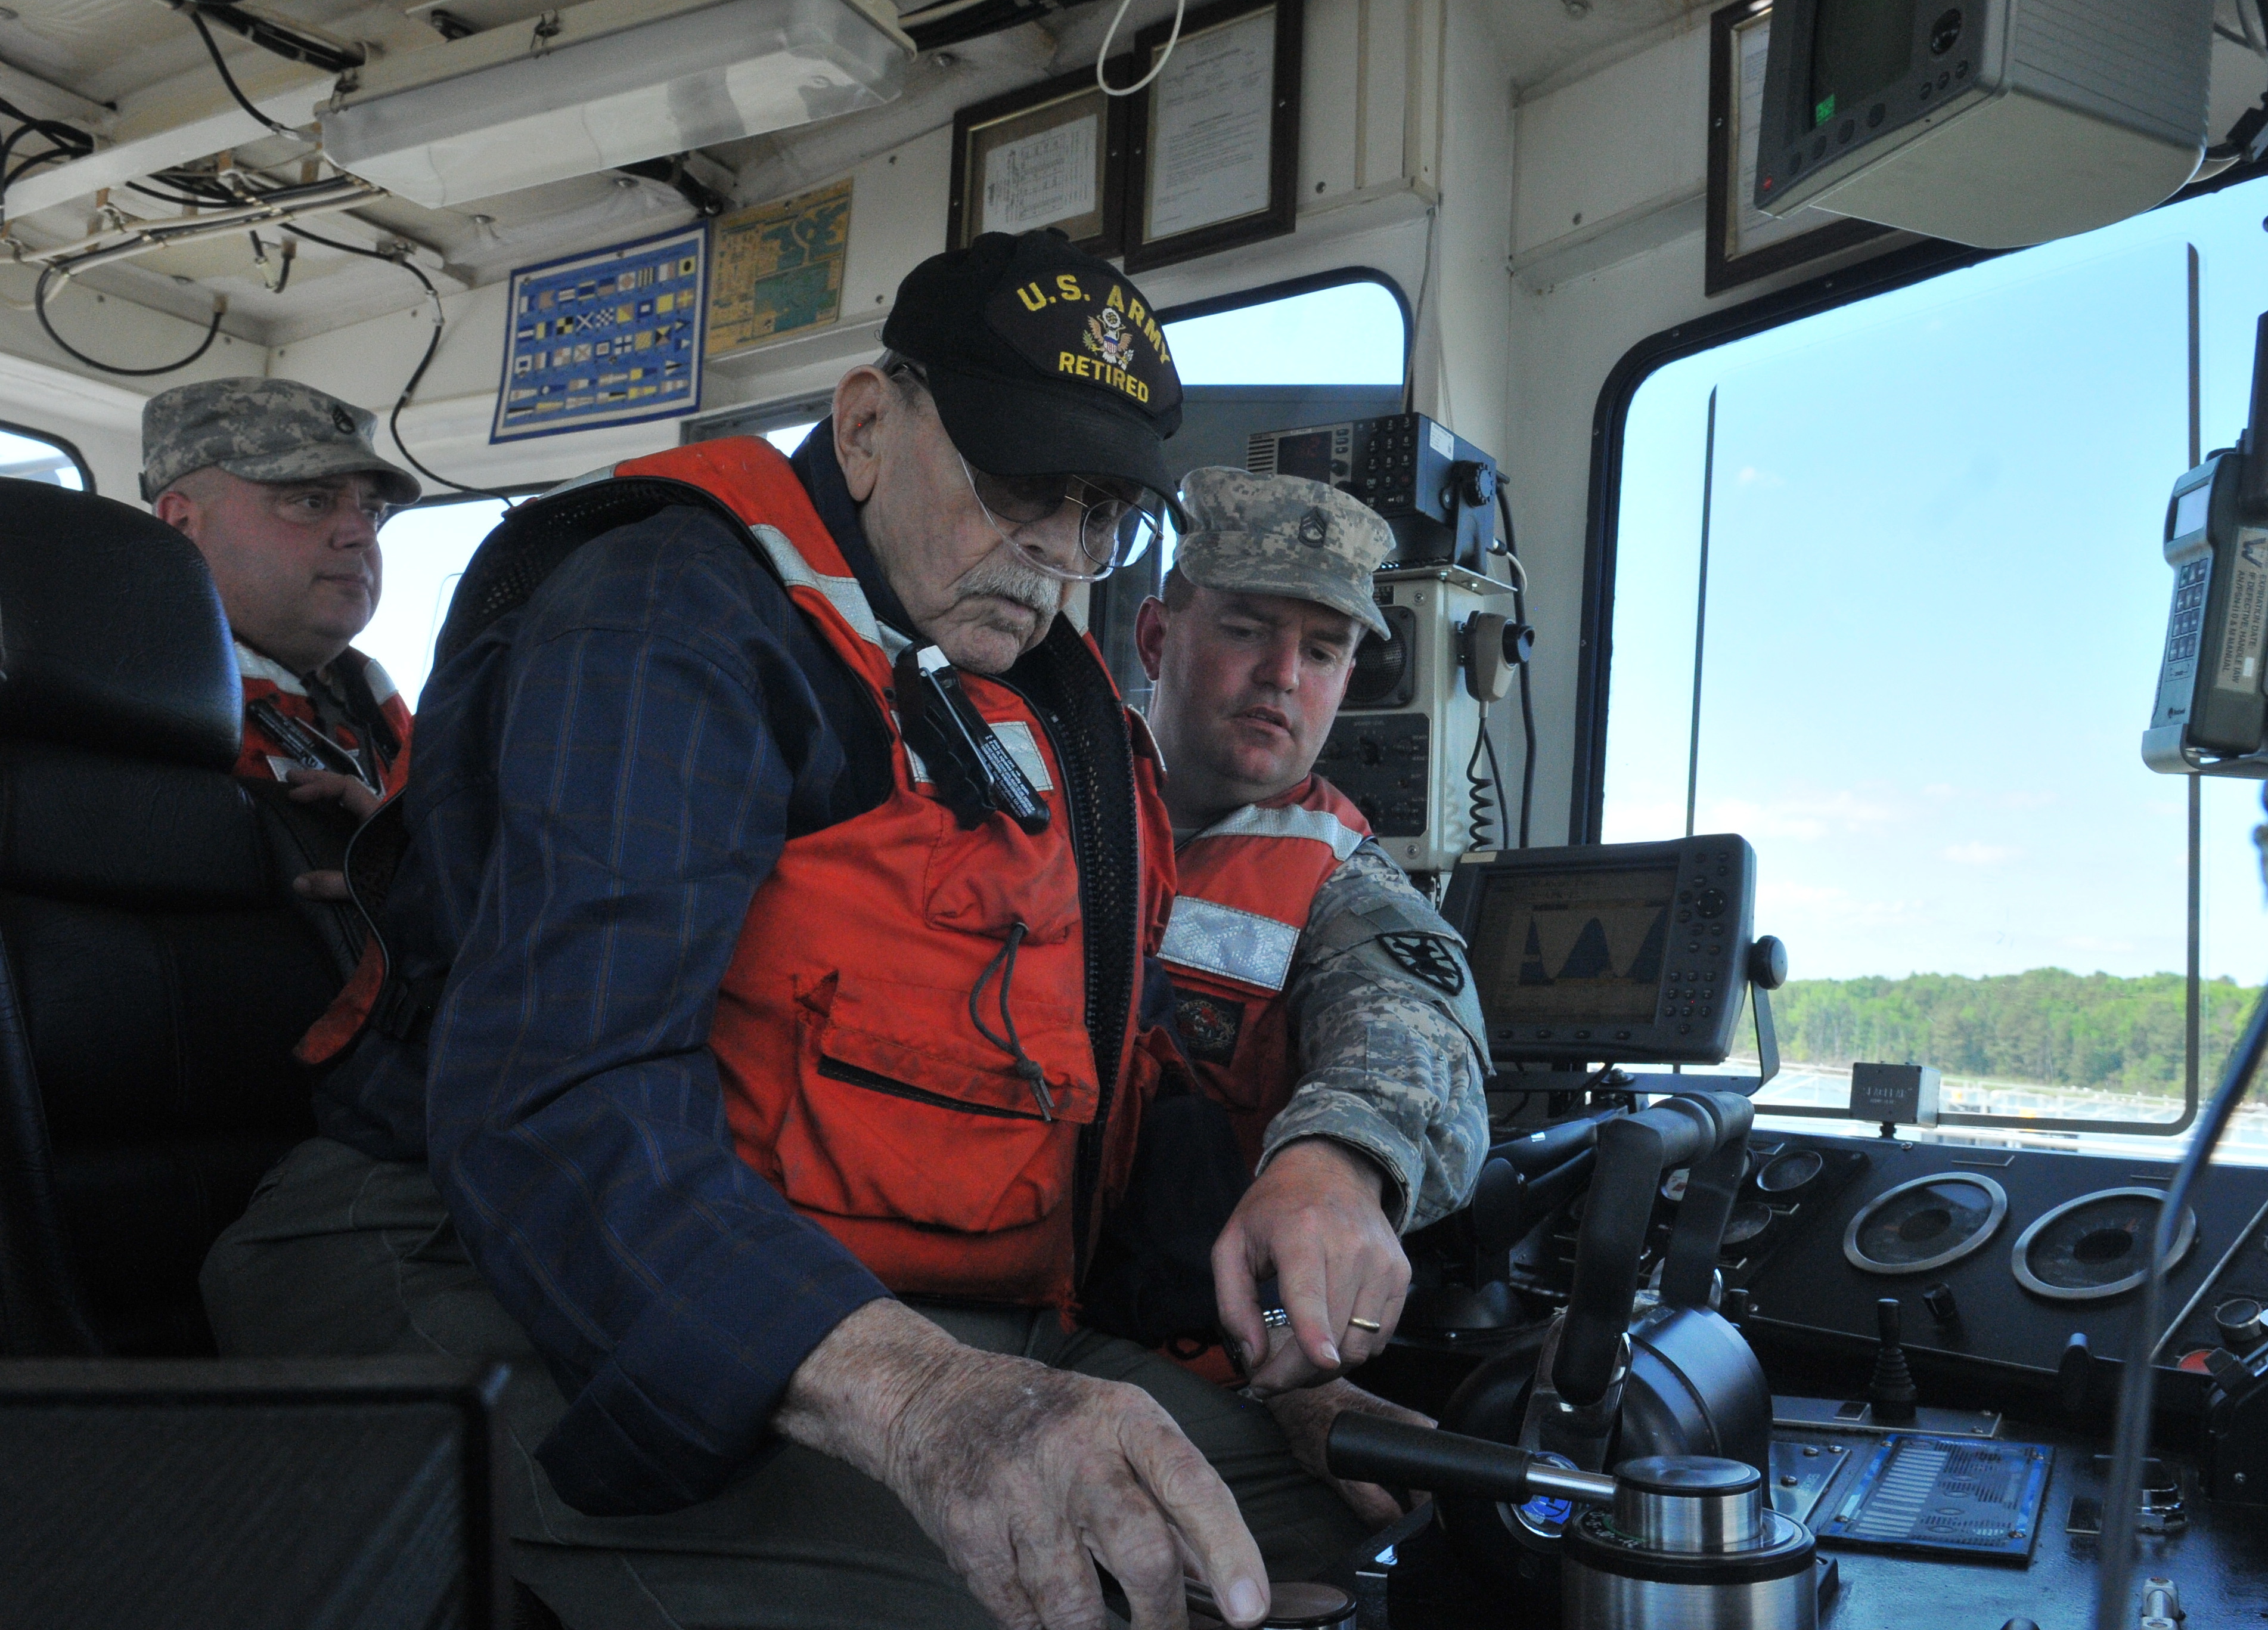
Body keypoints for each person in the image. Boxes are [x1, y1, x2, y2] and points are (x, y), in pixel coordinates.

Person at [200, 232, 1443, 1630]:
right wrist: (923, 1396)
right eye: (1024, 479)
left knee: (1342, 1532)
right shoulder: (664, 614)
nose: (1054, 546)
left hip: (827, 1278)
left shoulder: (1045, 705)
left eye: (1099, 512)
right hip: (463, 1248)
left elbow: (1095, 1107)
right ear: (865, 424)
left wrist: (1280, 1361)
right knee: (1076, 1594)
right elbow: (559, 1097)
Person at [1118, 472, 1490, 1402]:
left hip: (1181, 1355)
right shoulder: (1029, 796)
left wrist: (1339, 1162)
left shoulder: (1345, 885)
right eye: (1247, 629)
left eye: (1322, 651)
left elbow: (1414, 1040)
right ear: (1159, 638)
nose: (1284, 675)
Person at [145, 378, 419, 829]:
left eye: (371, 511)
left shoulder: (376, 705)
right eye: (312, 501)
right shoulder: (124, 694)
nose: (363, 534)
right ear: (182, 522)